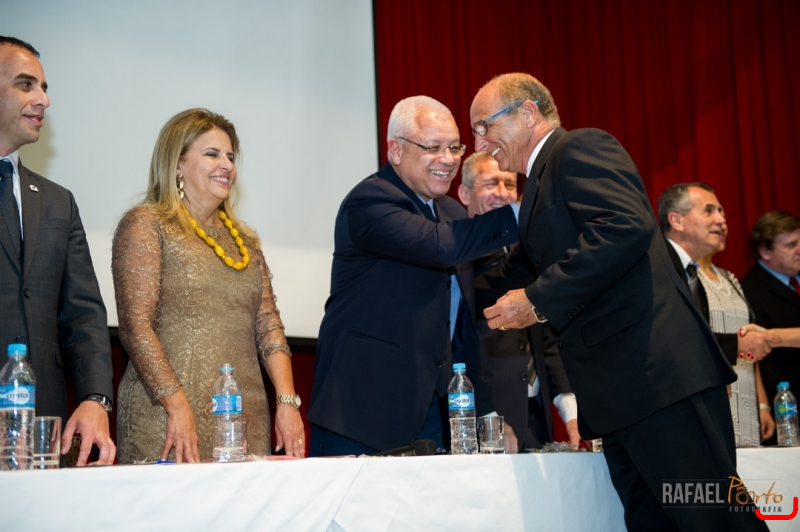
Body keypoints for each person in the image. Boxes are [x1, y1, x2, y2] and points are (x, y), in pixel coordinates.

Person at [471, 73, 766, 530]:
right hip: (621, 396)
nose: (480, 142)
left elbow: (624, 227)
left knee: (714, 521)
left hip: (659, 381)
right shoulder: (537, 190)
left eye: (484, 126)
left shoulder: (578, 148)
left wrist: (537, 300)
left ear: (527, 113)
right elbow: (512, 274)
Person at [308, 96, 519, 457]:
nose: (448, 159)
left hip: (432, 413)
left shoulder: (451, 212)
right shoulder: (370, 200)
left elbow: (473, 310)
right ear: (396, 150)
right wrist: (520, 214)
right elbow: (438, 246)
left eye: (454, 147)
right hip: (362, 412)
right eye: (433, 147)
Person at [112, 108, 304, 463]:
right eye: (212, 154)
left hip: (244, 420)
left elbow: (269, 328)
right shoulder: (147, 224)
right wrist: (176, 405)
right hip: (167, 417)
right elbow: (136, 326)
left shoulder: (245, 242)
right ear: (177, 164)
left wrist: (287, 402)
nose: (226, 165)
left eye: (230, 157)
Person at [0, 36, 115, 466]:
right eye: (25, 84)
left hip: (44, 434)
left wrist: (94, 398)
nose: (43, 100)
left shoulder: (57, 201)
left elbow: (82, 313)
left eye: (44, 88)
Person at [457, 151, 578, 452]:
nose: (502, 193)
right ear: (464, 194)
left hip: (536, 419)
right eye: (491, 183)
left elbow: (547, 335)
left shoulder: (529, 250)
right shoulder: (454, 259)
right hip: (483, 422)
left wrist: (569, 409)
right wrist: (488, 416)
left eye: (510, 184)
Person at [658, 182, 775, 445]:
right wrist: (736, 345)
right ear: (676, 220)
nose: (722, 220)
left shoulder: (689, 272)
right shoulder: (660, 266)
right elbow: (667, 337)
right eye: (709, 211)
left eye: (721, 211)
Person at [740, 210, 800, 435]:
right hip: (790, 409)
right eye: (791, 245)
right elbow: (761, 364)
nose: (799, 250)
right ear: (765, 251)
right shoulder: (749, 292)